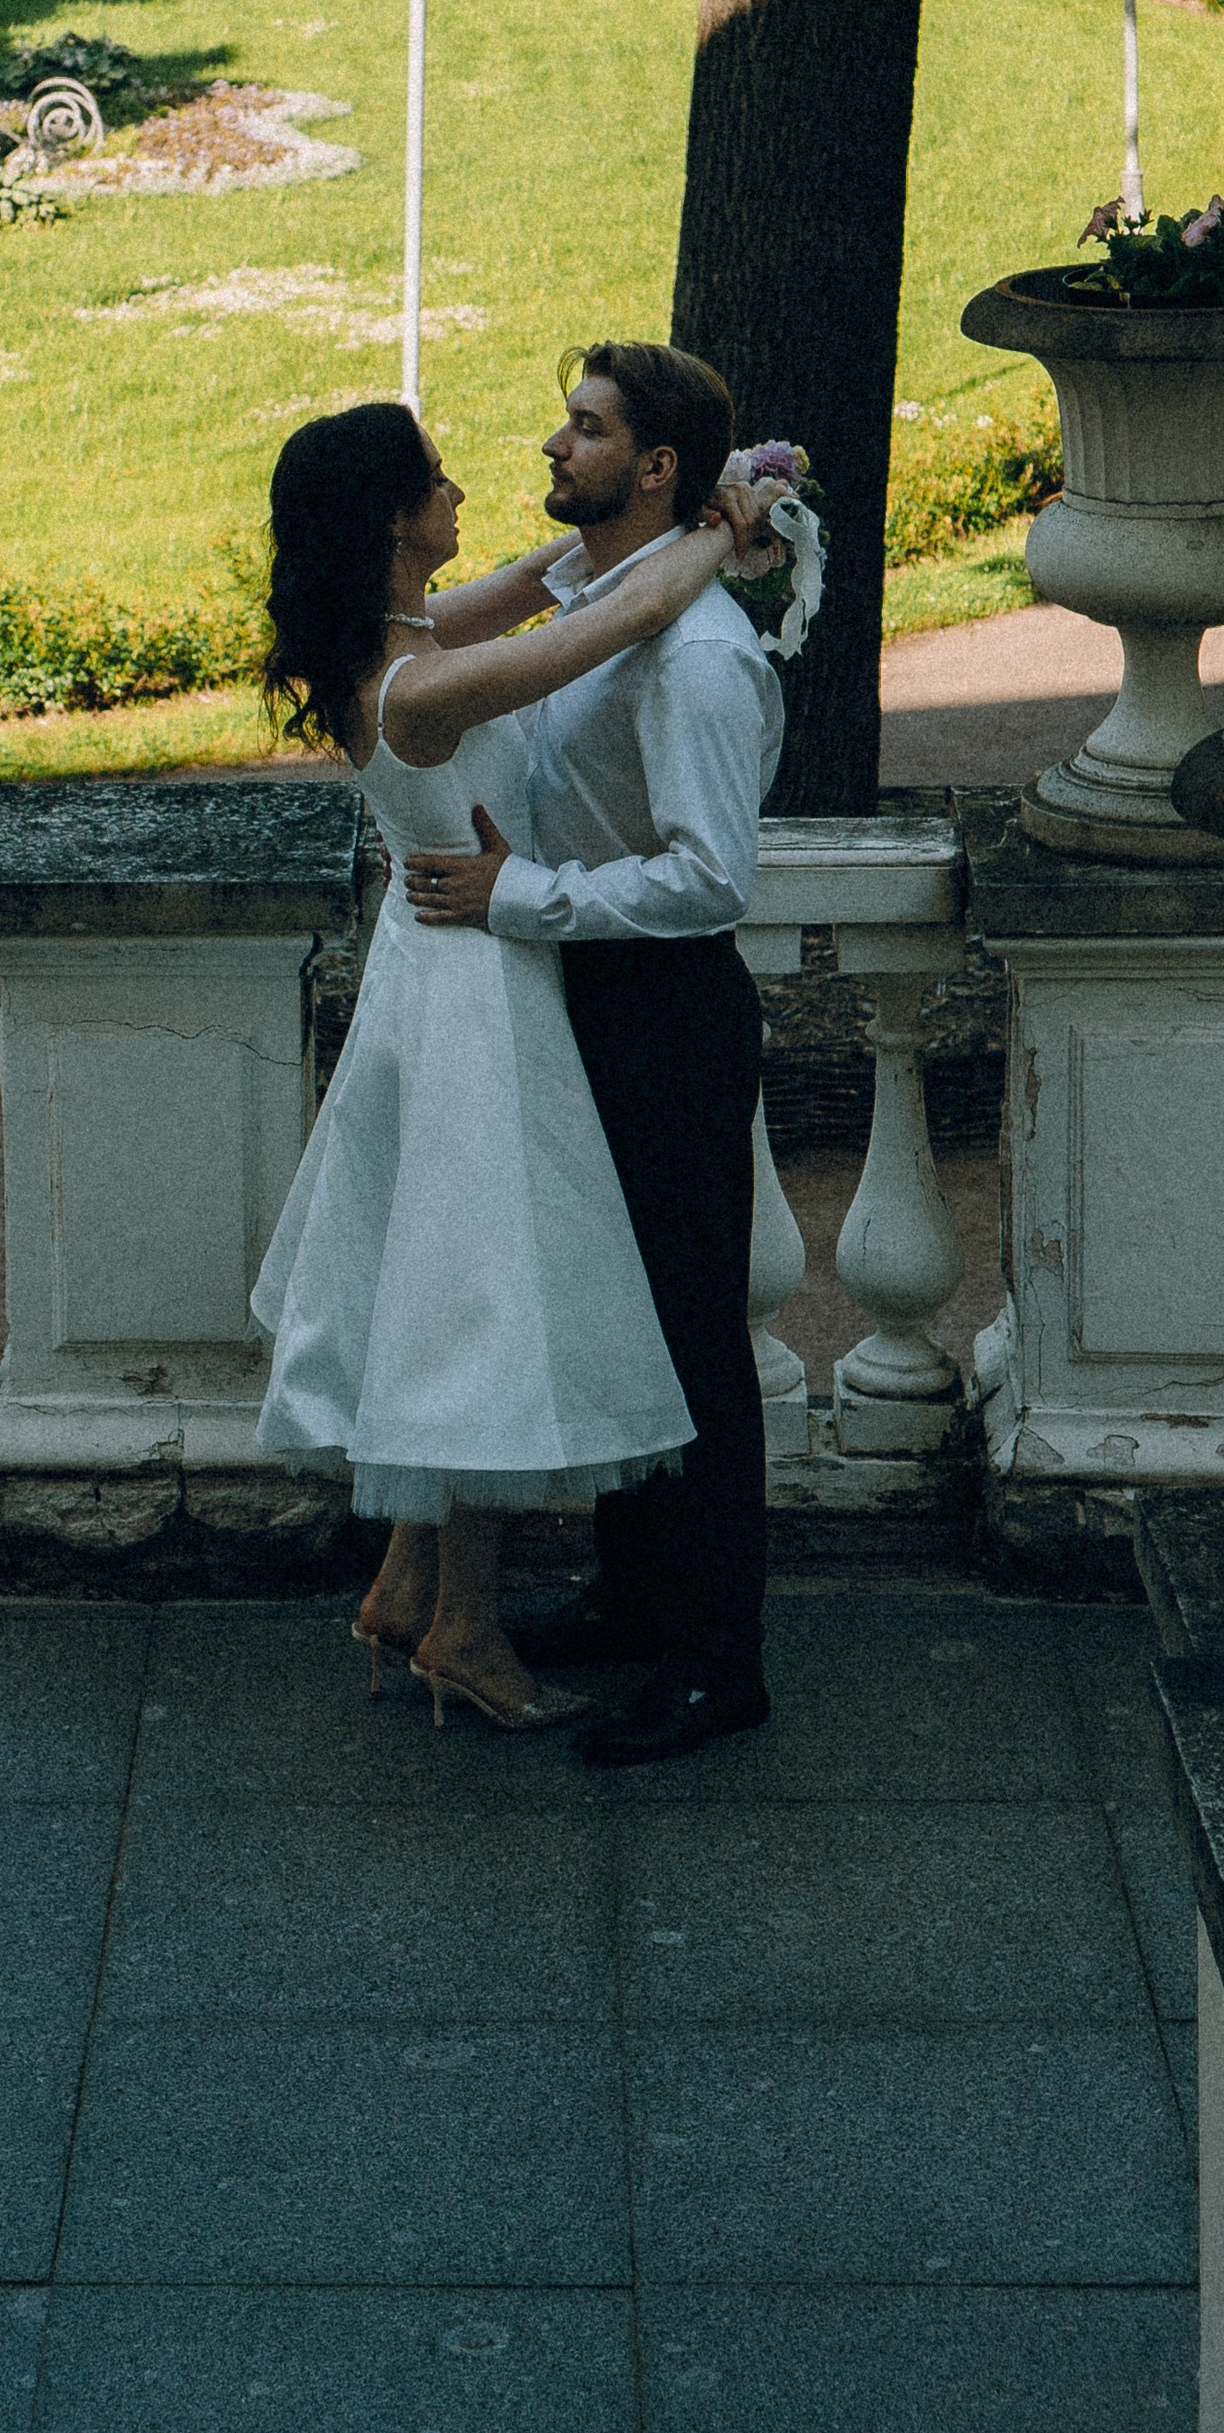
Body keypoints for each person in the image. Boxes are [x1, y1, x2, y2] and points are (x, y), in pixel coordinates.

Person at [252, 399, 776, 1733]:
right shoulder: (423, 683)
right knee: (486, 1300)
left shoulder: (411, 633)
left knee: (451, 1288)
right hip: (481, 983)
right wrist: (723, 532)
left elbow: (558, 576)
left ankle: (409, 1587)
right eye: (434, 481)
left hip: (440, 972)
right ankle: (463, 1628)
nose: (463, 487)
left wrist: (702, 490)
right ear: (389, 521)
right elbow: (600, 628)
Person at [403, 342, 786, 1768]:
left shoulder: (695, 655)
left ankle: (714, 1661)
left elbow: (711, 880)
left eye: (586, 429)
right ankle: (635, 1599)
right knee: (611, 1313)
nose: (555, 447)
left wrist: (525, 900)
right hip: (582, 995)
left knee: (690, 1338)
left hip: (663, 1009)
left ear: (659, 466)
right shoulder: (599, 596)